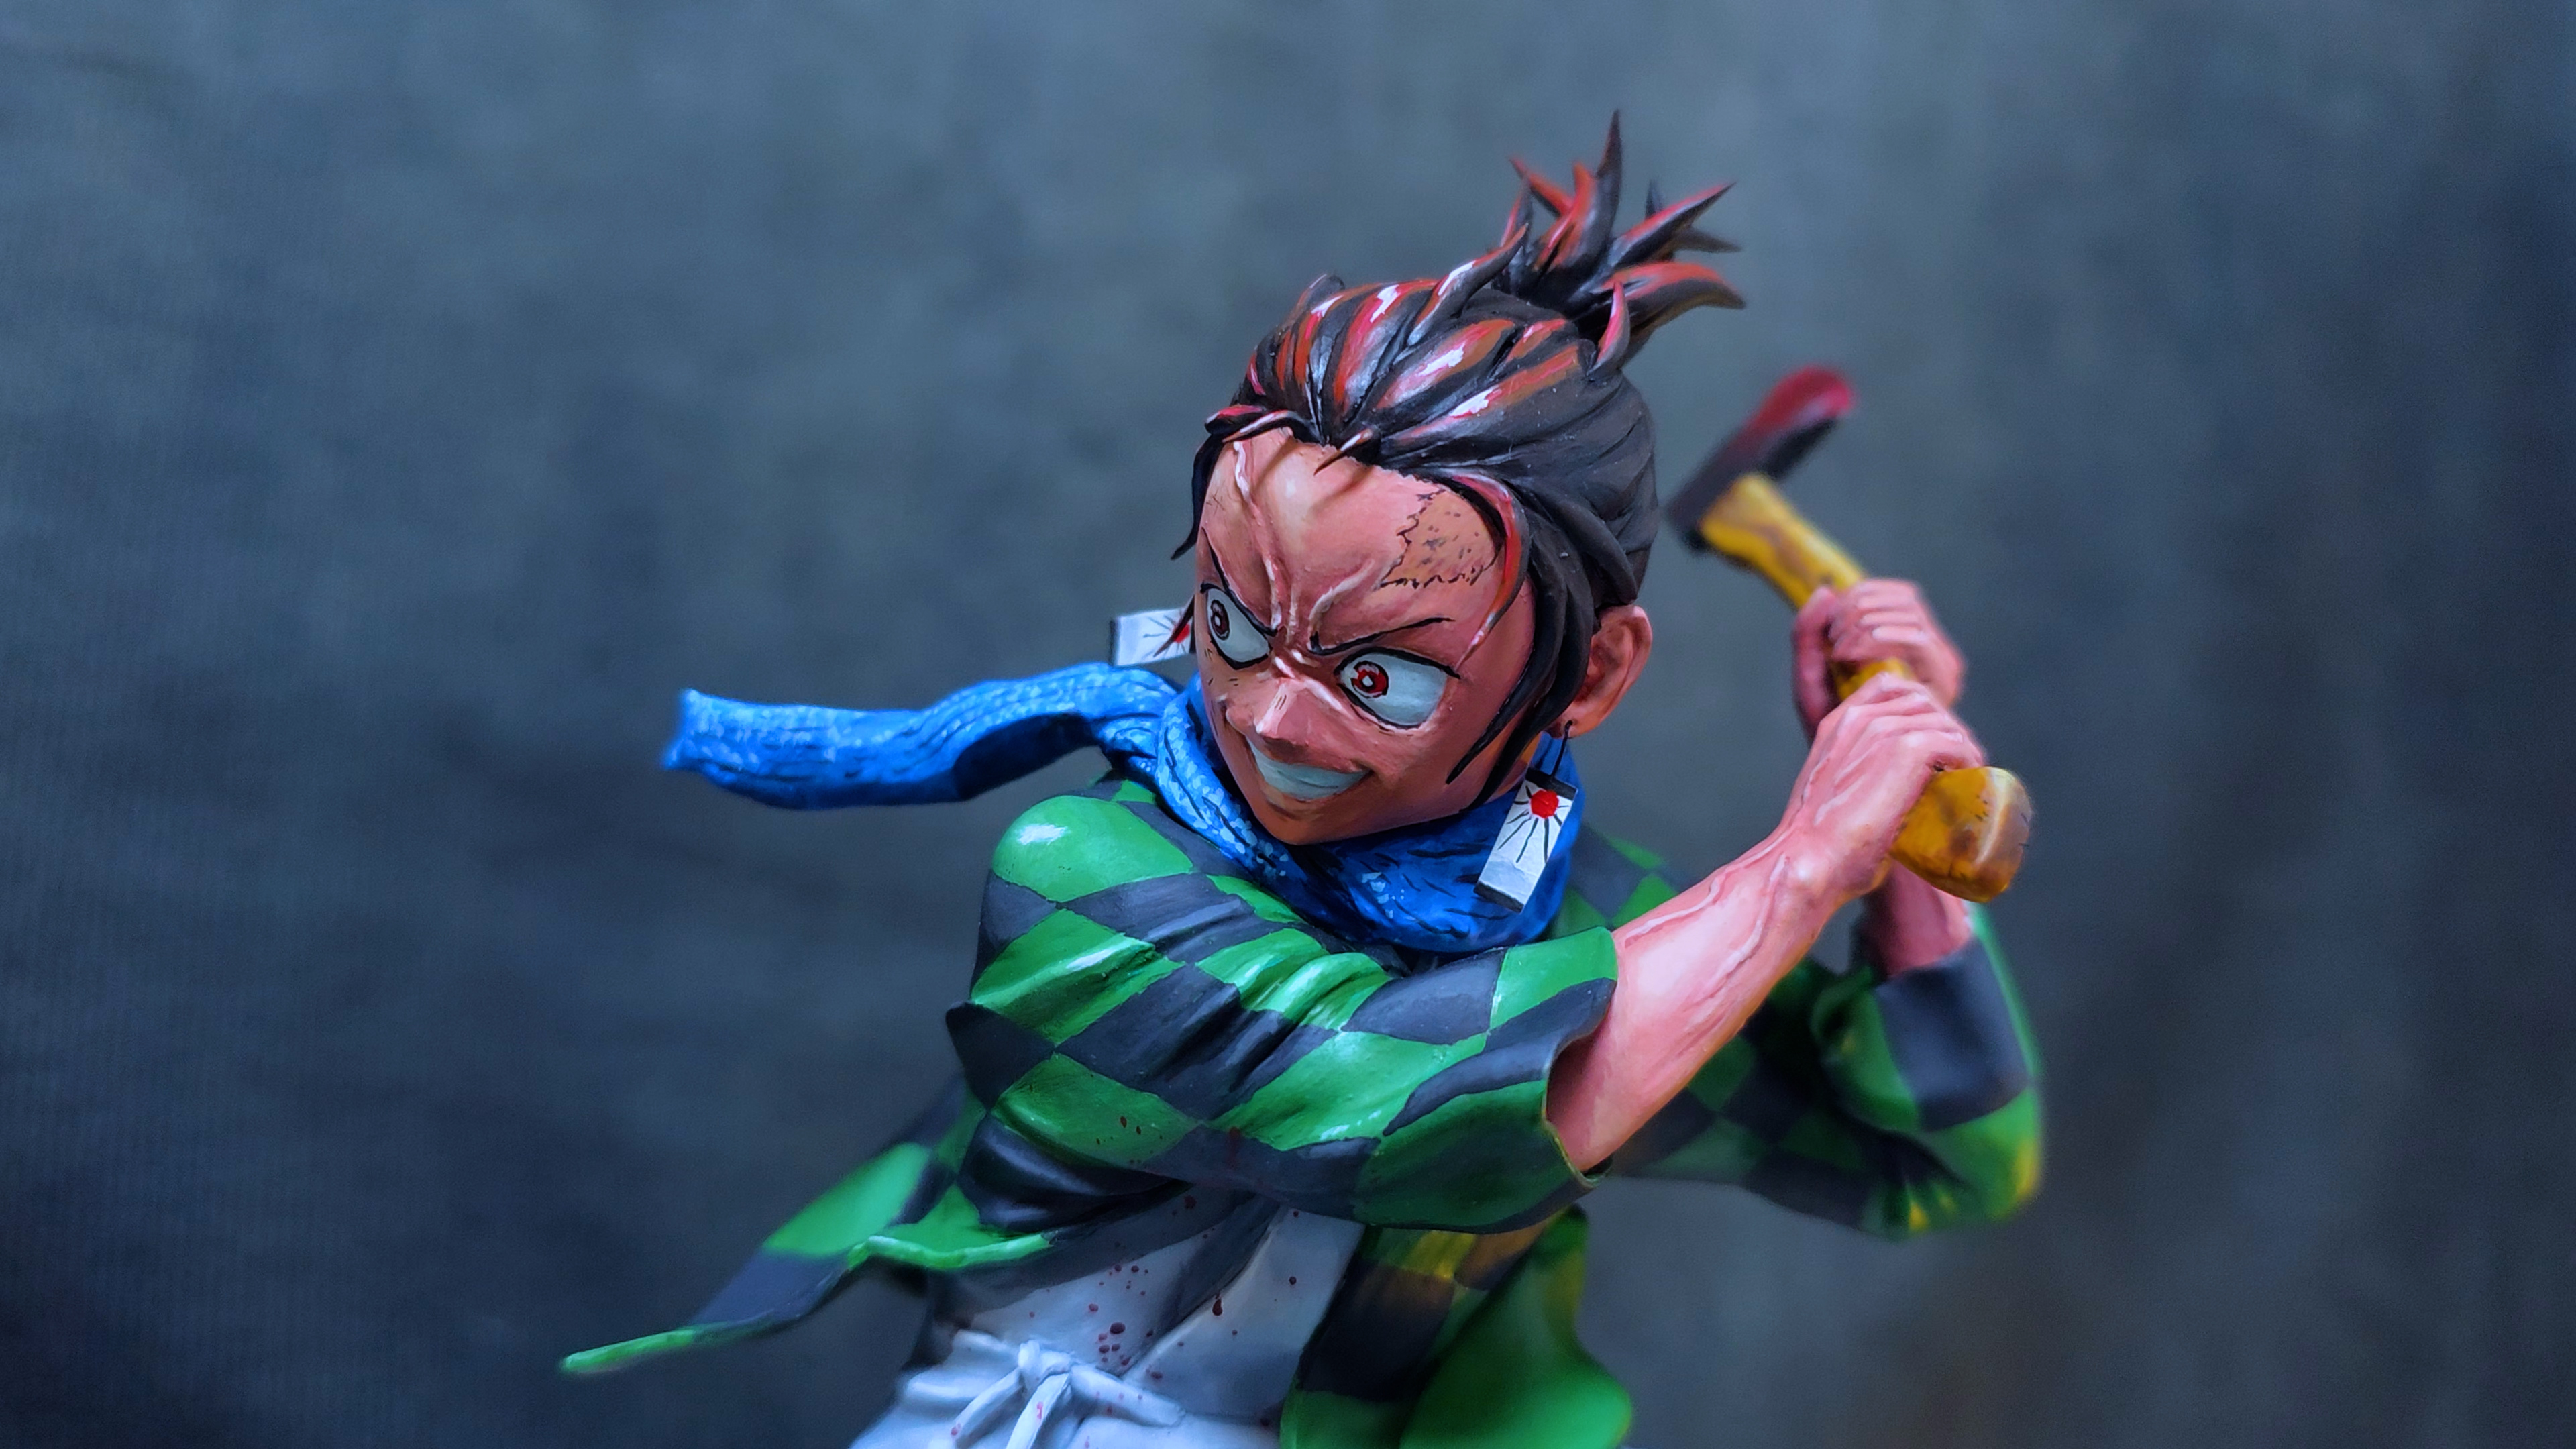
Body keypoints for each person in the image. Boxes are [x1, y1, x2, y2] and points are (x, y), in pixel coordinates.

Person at [564, 120, 2041, 1449]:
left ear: (1589, 678)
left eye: (1381, 676)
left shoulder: (1587, 925)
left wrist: (1899, 829)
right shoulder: (1091, 877)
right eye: (1231, 623)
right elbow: (1426, 1111)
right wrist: (1801, 863)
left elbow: (1939, 1159)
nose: (1272, 716)